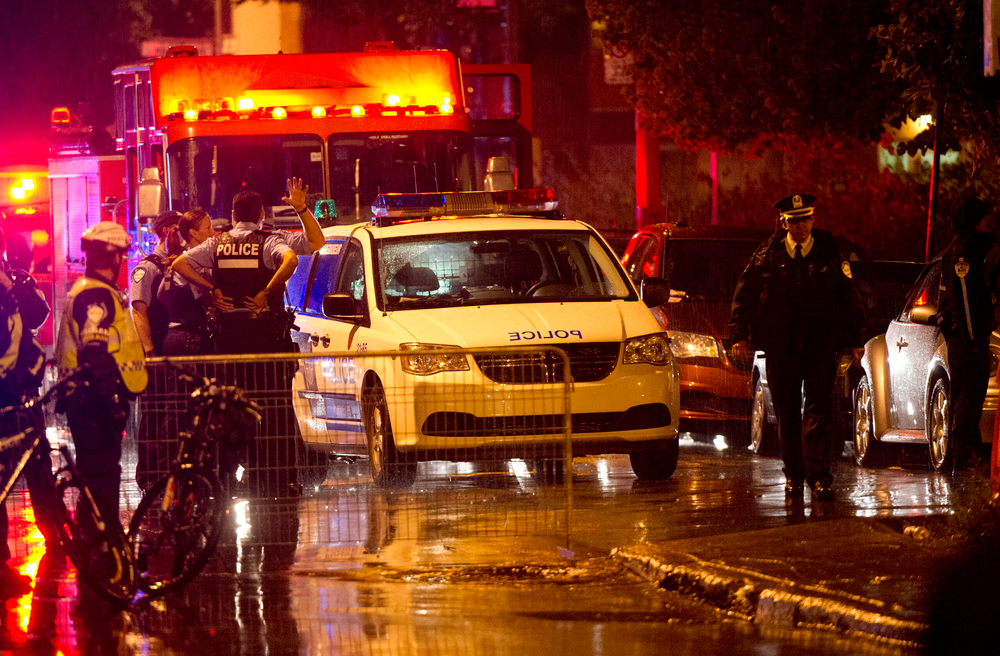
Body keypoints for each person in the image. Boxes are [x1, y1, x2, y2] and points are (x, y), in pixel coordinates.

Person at [729, 194, 864, 502]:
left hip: (819, 345)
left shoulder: (829, 251)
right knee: (788, 414)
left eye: (806, 220)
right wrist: (738, 335)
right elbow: (745, 294)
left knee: (819, 411)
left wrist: (856, 339)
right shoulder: (768, 254)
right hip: (781, 347)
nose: (801, 226)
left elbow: (849, 296)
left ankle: (819, 477)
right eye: (794, 221)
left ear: (813, 220)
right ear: (784, 223)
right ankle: (794, 475)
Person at [55, 222, 147, 534]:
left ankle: (94, 543)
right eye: (121, 256)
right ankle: (103, 548)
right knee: (101, 476)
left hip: (85, 401)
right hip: (94, 404)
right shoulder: (96, 295)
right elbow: (95, 354)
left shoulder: (89, 290)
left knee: (96, 475)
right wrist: (112, 400)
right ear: (112, 258)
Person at [0, 228, 56, 600]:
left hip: (21, 393)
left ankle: (55, 532)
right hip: (8, 392)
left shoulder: (14, 282)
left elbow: (39, 311)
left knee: (38, 461)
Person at [172, 190, 298, 354]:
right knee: (266, 379)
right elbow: (292, 260)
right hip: (265, 336)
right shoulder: (270, 241)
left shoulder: (215, 244)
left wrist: (213, 288)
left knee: (230, 379)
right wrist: (266, 293)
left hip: (229, 337)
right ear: (261, 213)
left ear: (234, 215)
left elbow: (179, 264)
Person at [936, 196, 997, 469]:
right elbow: (964, 303)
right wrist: (972, 340)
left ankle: (967, 455)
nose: (990, 226)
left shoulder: (968, 249)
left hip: (966, 340)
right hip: (968, 342)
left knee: (968, 399)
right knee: (969, 400)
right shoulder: (963, 253)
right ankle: (961, 455)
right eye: (985, 221)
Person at [159, 209, 217, 356]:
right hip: (191, 339)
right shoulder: (194, 264)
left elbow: (161, 294)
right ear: (194, 233)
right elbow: (205, 298)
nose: (213, 232)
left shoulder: (177, 257)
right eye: (208, 227)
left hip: (173, 336)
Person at [131, 211, 181, 357]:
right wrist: (149, 349)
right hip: (158, 343)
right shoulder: (147, 268)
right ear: (166, 231)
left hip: (174, 343)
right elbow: (139, 311)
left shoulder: (182, 262)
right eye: (179, 230)